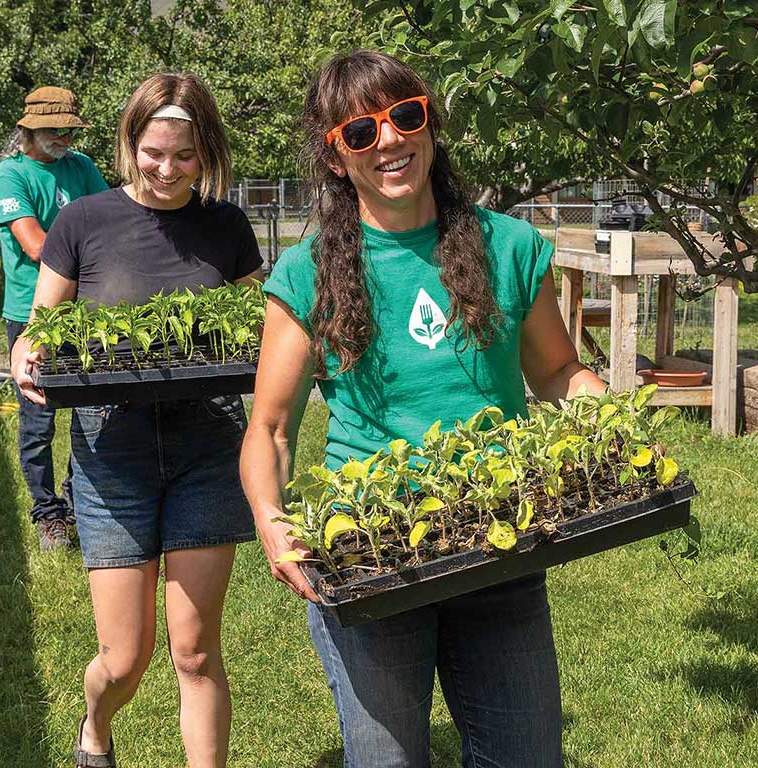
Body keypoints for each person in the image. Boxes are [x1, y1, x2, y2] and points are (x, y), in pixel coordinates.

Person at [241, 50, 607, 768]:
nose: (388, 141)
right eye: (360, 132)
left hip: (501, 539)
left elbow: (558, 370)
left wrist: (609, 420)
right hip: (371, 551)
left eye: (403, 116)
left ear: (429, 122)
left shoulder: (509, 245)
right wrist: (271, 521)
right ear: (336, 155)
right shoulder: (308, 273)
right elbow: (272, 427)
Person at [10, 73, 261, 768]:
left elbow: (249, 327)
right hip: (110, 453)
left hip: (207, 447)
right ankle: (96, 723)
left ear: (205, 151)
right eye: (153, 152)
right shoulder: (83, 221)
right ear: (130, 143)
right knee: (125, 659)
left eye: (184, 156)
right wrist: (28, 355)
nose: (167, 170)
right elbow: (41, 327)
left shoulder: (225, 226)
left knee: (196, 647)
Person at [0, 86, 109, 551]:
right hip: (32, 315)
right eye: (54, 129)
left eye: (68, 128)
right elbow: (37, 246)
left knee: (93, 410)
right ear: (29, 129)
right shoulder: (10, 175)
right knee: (38, 418)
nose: (63, 136)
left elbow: (112, 224)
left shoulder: (81, 167)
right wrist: (86, 242)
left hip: (86, 314)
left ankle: (79, 502)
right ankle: (47, 513)